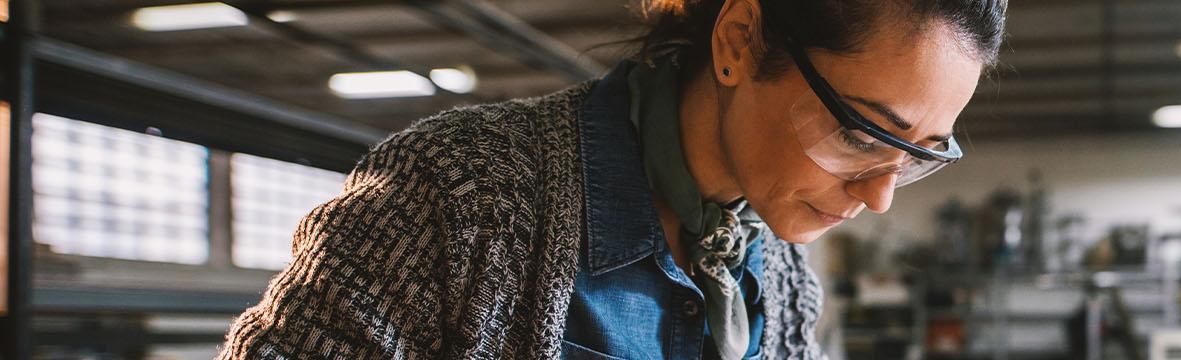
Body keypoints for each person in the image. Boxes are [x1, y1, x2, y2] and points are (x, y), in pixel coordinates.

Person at [216, 0, 1006, 358]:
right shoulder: (462, 195)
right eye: (858, 132)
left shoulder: (787, 289)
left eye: (921, 153)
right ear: (737, 40)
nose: (880, 194)